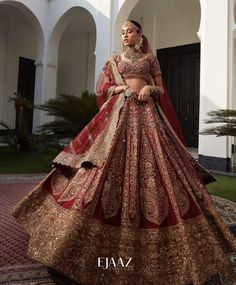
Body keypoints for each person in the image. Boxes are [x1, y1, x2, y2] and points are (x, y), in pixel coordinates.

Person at [12, 20, 236, 285]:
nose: (125, 35)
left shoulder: (150, 60)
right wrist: (120, 88)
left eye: (130, 31)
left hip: (148, 116)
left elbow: (161, 89)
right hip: (120, 114)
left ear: (139, 34)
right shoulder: (114, 60)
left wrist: (150, 89)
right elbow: (102, 90)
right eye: (123, 32)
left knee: (160, 166)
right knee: (102, 166)